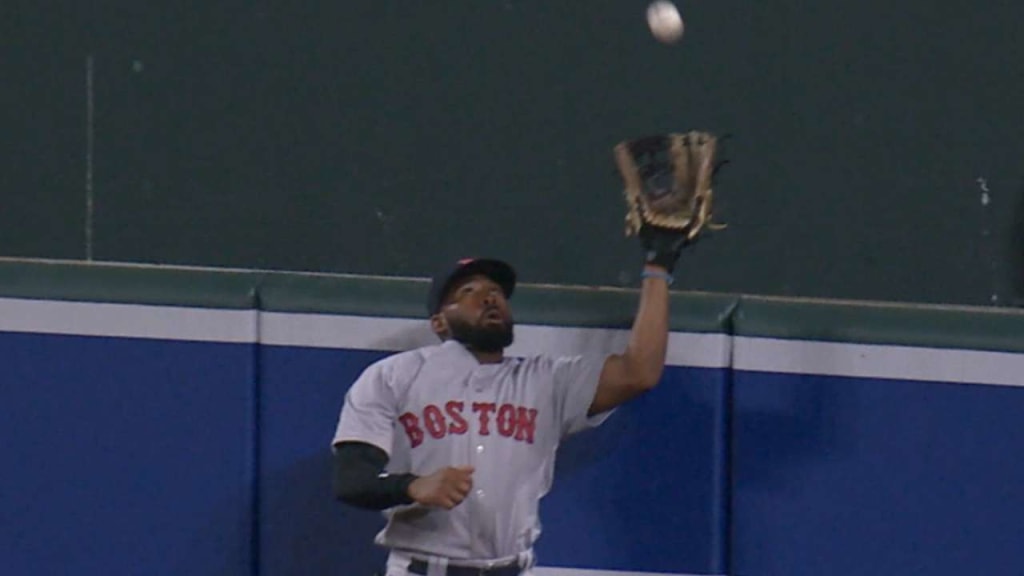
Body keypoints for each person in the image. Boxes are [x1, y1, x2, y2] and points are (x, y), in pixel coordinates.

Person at [331, 229, 688, 576]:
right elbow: (352, 480)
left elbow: (639, 372)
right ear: (439, 322)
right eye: (468, 291)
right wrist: (410, 485)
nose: (488, 297)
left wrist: (657, 271)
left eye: (496, 291)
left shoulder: (545, 381)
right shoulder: (393, 376)